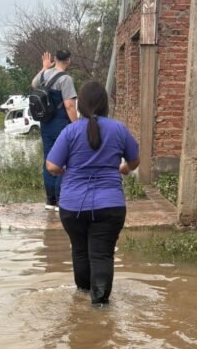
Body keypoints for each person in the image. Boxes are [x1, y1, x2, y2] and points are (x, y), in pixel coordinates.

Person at [46, 80, 139, 306]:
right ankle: (100, 307)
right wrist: (124, 169)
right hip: (110, 205)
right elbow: (134, 160)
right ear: (105, 104)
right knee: (102, 254)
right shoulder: (118, 128)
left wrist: (66, 170)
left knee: (80, 251)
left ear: (81, 105)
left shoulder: (70, 131)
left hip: (73, 206)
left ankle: (81, 301)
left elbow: (52, 166)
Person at [31, 49, 77, 210]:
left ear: (55, 59)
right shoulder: (66, 79)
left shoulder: (44, 74)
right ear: (69, 60)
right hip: (61, 124)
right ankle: (60, 200)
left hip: (46, 124)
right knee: (63, 161)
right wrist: (77, 125)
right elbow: (69, 106)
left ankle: (50, 201)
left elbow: (33, 84)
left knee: (48, 160)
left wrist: (44, 67)